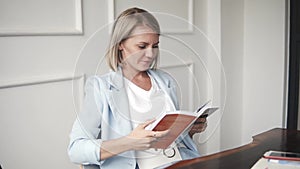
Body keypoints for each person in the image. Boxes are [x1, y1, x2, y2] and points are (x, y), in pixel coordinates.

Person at [68, 7, 208, 169]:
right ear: (121, 44)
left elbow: (167, 138)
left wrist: (188, 130)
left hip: (178, 162)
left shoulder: (165, 81)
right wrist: (130, 142)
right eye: (142, 46)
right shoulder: (101, 88)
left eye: (155, 46)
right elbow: (75, 150)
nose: (150, 54)